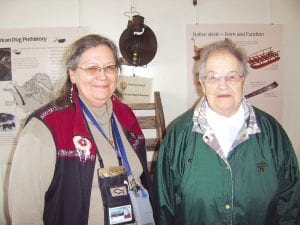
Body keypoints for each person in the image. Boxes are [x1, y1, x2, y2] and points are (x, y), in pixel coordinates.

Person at [8, 34, 154, 225]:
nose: (102, 75)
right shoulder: (44, 127)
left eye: (110, 67)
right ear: (73, 74)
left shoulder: (125, 115)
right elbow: (24, 215)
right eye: (92, 68)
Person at [154, 38, 300, 225]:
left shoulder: (272, 133)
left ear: (244, 81)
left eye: (232, 76)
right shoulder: (177, 136)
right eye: (213, 77)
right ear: (202, 82)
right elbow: (164, 210)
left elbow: (291, 204)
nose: (223, 85)